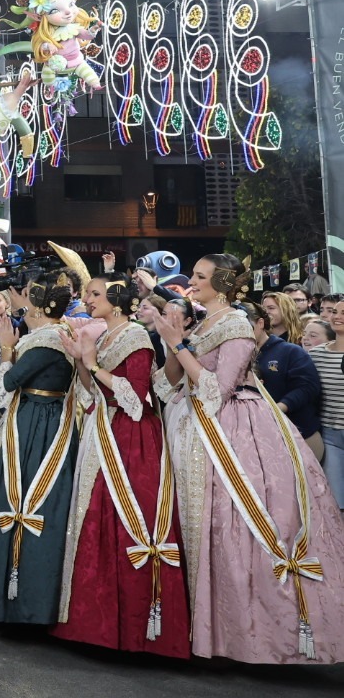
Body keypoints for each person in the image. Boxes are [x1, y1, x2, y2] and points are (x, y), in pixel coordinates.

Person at [156, 254, 344, 662]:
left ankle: (243, 636)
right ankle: (192, 629)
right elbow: (168, 383)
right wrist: (174, 343)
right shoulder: (203, 321)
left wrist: (178, 344)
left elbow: (216, 390)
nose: (193, 283)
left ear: (222, 284)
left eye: (201, 277)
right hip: (188, 428)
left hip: (233, 432)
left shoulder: (237, 323)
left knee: (231, 525)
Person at [50, 276, 189, 655]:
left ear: (117, 302)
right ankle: (92, 623)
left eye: (95, 294)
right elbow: (89, 389)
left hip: (130, 438)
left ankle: (132, 629)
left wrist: (93, 366)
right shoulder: (106, 337)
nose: (86, 299)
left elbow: (138, 396)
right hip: (101, 426)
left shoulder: (135, 338)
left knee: (120, 517)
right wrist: (81, 361)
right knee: (93, 518)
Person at [0, 269, 79, 626]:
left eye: (25, 296)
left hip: (36, 425)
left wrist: (7, 347)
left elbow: (7, 384)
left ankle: (24, 605)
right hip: (38, 418)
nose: (19, 299)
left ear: (37, 305)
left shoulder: (48, 339)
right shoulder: (50, 333)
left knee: (23, 499)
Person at [251, 304, 325, 461]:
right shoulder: (237, 355)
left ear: (260, 323)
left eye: (245, 327)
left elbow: (307, 387)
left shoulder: (290, 351)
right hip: (261, 438)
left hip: (299, 433)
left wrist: (279, 408)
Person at [307, 318, 344, 510]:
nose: (338, 316)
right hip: (330, 433)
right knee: (335, 500)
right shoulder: (316, 355)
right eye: (335, 312)